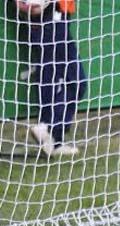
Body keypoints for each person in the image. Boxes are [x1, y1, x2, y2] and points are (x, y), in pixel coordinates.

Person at [13, 0, 86, 157]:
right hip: (46, 15)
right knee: (64, 78)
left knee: (62, 78)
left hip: (58, 13)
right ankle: (48, 127)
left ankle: (53, 137)